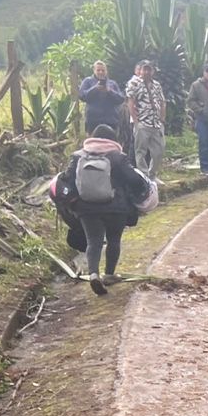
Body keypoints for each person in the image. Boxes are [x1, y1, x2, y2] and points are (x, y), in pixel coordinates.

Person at [57, 124, 150, 293]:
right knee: (114, 240)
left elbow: (66, 179)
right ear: (113, 139)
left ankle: (93, 274)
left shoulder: (77, 157)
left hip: (86, 208)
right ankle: (109, 274)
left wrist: (73, 202)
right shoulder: (118, 157)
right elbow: (134, 180)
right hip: (115, 207)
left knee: (94, 241)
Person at [127, 59, 166, 175]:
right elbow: (130, 102)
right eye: (145, 69)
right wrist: (135, 121)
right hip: (142, 122)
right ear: (140, 71)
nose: (147, 72)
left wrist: (162, 118)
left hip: (156, 123)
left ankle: (152, 174)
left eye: (149, 69)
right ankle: (144, 175)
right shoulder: (134, 84)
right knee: (140, 151)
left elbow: (162, 101)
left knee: (159, 151)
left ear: (153, 71)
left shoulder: (157, 85)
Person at [79, 60, 126, 135]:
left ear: (106, 71)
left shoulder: (112, 84)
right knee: (93, 144)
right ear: (94, 70)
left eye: (103, 70)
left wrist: (109, 91)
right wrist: (95, 88)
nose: (101, 72)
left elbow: (121, 99)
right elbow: (82, 96)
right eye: (98, 70)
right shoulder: (87, 81)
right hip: (93, 121)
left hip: (111, 121)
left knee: (110, 144)